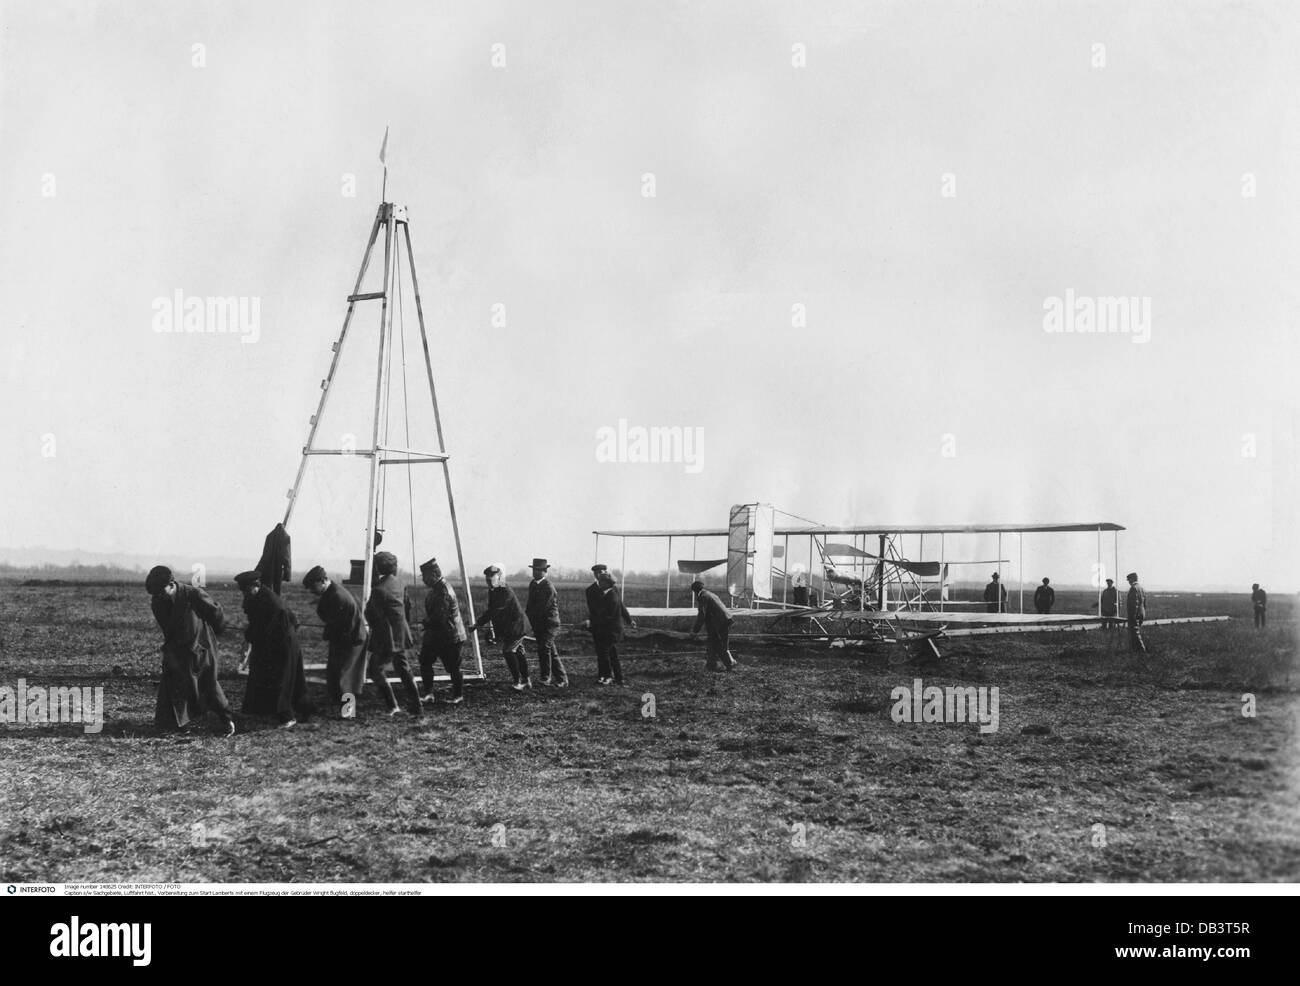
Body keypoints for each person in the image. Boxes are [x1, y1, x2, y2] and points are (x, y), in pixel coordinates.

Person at [146, 565, 235, 736]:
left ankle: (227, 720)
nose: (158, 596)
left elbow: (216, 613)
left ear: (171, 584)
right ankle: (172, 725)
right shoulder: (157, 601)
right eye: (155, 594)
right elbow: (168, 629)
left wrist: (217, 630)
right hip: (177, 649)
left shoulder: (192, 594)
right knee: (171, 685)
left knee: (207, 685)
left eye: (160, 591)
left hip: (201, 647)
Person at [236, 570, 313, 727]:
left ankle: (288, 717)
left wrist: (250, 639)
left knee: (281, 680)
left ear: (255, 586)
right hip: (274, 643)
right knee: (286, 679)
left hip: (283, 645)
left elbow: (267, 629)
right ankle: (302, 710)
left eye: (246, 590)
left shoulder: (271, 603)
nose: (244, 594)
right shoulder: (257, 597)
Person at [364, 551, 424, 716]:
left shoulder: (378, 589)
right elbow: (407, 606)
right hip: (401, 633)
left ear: (377, 568)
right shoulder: (399, 583)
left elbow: (370, 614)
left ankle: (392, 706)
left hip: (387, 636)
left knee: (375, 670)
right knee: (403, 668)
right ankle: (417, 706)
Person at [304, 566, 367, 718]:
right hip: (342, 637)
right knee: (333, 672)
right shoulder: (331, 592)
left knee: (345, 676)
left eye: (313, 587)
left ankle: (349, 711)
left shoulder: (337, 595)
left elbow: (343, 626)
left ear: (323, 581)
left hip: (352, 640)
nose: (312, 591)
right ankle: (338, 704)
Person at [470, 564, 531, 691]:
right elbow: (492, 611)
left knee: (508, 651)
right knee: (518, 651)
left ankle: (518, 682)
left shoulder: (505, 590)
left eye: (492, 576)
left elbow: (495, 611)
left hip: (517, 628)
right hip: (511, 629)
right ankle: (526, 680)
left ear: (499, 577)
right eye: (487, 577)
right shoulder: (493, 590)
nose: (488, 579)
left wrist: (477, 624)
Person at [417, 557, 467, 704]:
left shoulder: (443, 591)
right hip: (437, 634)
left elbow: (440, 618)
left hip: (450, 636)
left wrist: (426, 622)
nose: (424, 580)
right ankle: (428, 694)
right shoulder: (437, 588)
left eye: (425, 577)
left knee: (453, 667)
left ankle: (458, 696)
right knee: (425, 661)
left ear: (434, 574)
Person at [585, 564, 635, 686]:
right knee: (604, 652)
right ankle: (611, 676)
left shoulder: (612, 591)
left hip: (608, 627)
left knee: (605, 652)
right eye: (597, 573)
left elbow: (619, 607)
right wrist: (592, 622)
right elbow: (594, 610)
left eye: (602, 572)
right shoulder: (590, 590)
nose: (599, 575)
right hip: (598, 626)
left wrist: (629, 619)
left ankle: (609, 676)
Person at [525, 558, 567, 687]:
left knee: (544, 648)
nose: (535, 572)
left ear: (545, 571)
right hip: (539, 624)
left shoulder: (548, 587)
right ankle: (562, 679)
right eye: (534, 570)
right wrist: (526, 620)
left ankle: (545, 677)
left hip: (550, 624)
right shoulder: (533, 584)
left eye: (538, 570)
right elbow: (530, 605)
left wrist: (530, 622)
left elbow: (541, 608)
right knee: (550, 651)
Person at [690, 580, 738, 671]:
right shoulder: (709, 594)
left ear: (695, 591)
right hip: (724, 620)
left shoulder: (703, 597)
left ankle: (730, 664)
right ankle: (711, 665)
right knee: (712, 642)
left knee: (719, 644)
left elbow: (702, 615)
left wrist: (695, 631)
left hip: (719, 622)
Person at [1125, 571, 1148, 654]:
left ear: (1132, 579)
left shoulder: (1133, 588)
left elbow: (1135, 604)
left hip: (1135, 615)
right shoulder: (1141, 588)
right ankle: (1136, 651)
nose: (1128, 582)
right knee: (1135, 634)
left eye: (1129, 580)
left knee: (1135, 634)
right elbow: (1145, 603)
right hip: (1141, 614)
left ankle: (1142, 651)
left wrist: (1133, 616)